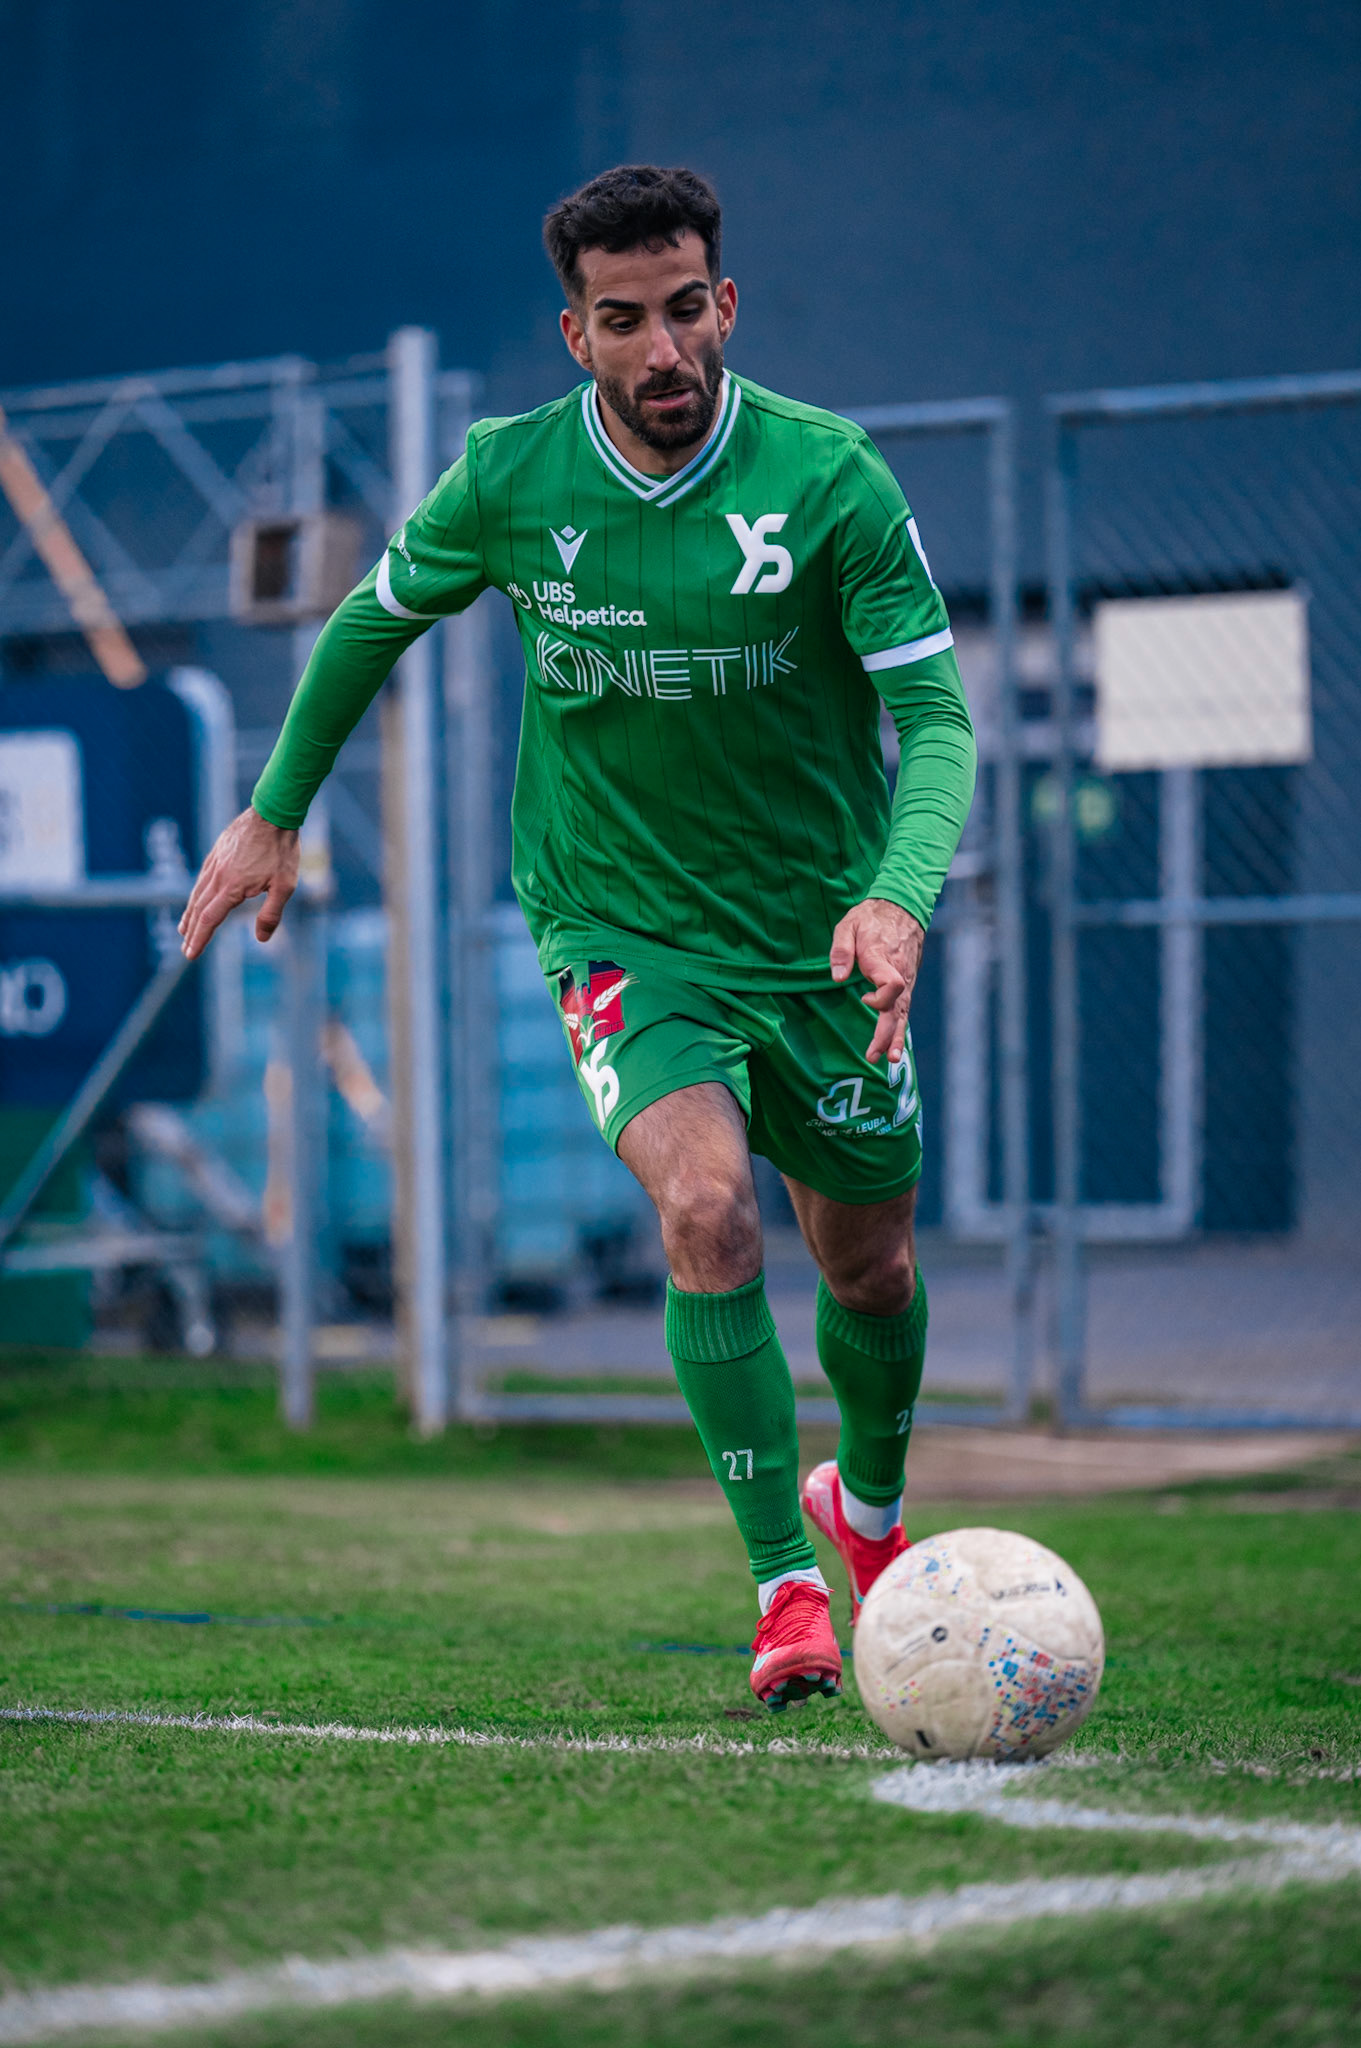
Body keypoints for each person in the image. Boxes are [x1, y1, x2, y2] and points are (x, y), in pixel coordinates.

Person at [180, 164, 977, 1712]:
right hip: (620, 924)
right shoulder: (507, 480)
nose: (663, 350)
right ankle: (783, 1589)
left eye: (686, 311)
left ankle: (864, 1517)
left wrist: (898, 890)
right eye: (625, 321)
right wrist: (275, 807)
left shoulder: (831, 481)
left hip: (816, 935)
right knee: (706, 1217)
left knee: (867, 1268)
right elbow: (369, 620)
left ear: (724, 304)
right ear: (576, 332)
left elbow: (934, 714)